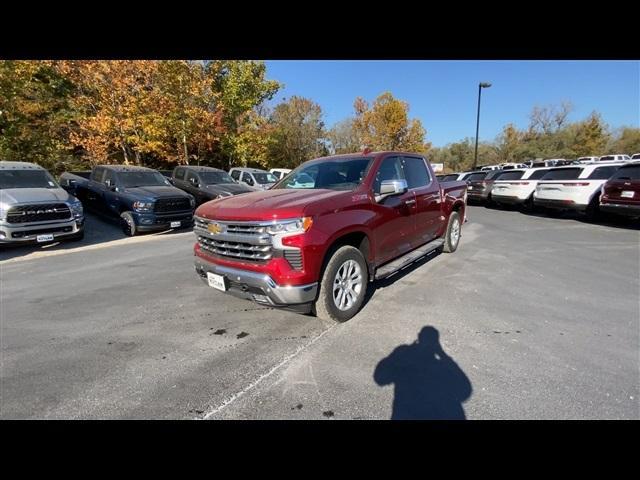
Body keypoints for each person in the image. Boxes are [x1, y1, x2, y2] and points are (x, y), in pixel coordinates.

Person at [374, 326, 472, 420]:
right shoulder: (442, 366)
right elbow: (465, 390)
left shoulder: (404, 352)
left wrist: (398, 357)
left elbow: (380, 378)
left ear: (419, 336)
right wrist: (441, 353)